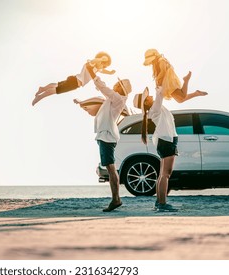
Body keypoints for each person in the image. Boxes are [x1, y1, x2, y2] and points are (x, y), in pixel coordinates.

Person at [84, 63, 131, 212]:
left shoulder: (117, 98)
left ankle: (116, 200)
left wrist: (92, 72)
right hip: (106, 136)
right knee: (111, 169)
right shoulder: (114, 99)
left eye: (118, 83)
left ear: (120, 88)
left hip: (107, 137)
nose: (115, 83)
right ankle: (115, 199)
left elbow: (102, 86)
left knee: (111, 169)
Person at [133, 86, 179, 212]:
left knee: (162, 174)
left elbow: (160, 93)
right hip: (167, 141)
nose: (150, 96)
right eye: (147, 97)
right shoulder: (155, 108)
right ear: (146, 102)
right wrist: (161, 78)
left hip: (165, 140)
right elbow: (161, 93)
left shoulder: (154, 109)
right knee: (166, 174)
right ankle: (162, 203)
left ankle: (159, 202)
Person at [32, 52, 115, 106]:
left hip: (74, 79)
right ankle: (40, 97)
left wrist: (110, 72)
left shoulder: (96, 69)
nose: (103, 67)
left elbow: (103, 71)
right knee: (56, 90)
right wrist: (101, 58)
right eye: (103, 64)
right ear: (99, 61)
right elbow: (94, 61)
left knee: (56, 84)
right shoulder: (91, 64)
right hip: (75, 82)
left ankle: (42, 88)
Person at [143, 49, 208, 102]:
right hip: (166, 84)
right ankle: (196, 93)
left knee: (182, 96)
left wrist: (157, 81)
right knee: (180, 100)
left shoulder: (161, 60)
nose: (151, 62)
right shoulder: (156, 65)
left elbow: (163, 71)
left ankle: (186, 80)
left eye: (151, 60)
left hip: (169, 82)